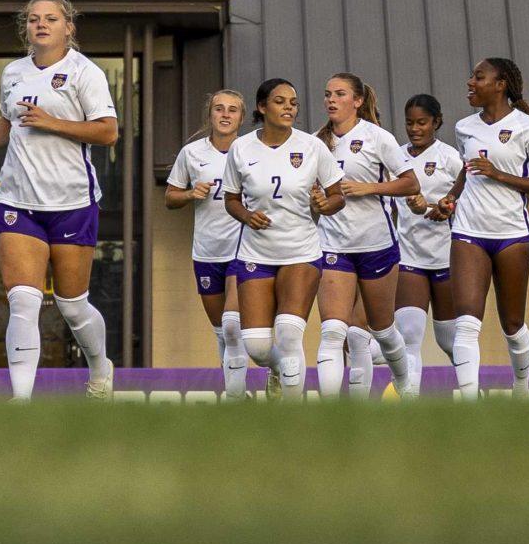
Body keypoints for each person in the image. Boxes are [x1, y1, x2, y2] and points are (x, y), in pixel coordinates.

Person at [0, 0, 123, 400]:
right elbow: (9, 122)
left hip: (71, 203)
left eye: (50, 19)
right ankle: (22, 399)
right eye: (33, 20)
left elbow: (107, 132)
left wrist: (53, 122)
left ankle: (100, 366)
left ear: (69, 27)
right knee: (23, 300)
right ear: (25, 28)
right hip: (18, 200)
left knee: (71, 305)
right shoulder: (13, 72)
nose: (41, 25)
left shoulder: (85, 73)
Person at [221, 78, 343, 398]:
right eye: (280, 101)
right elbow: (231, 199)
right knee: (257, 347)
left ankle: (292, 414)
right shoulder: (241, 147)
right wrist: (246, 215)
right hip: (256, 254)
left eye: (293, 102)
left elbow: (337, 196)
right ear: (262, 107)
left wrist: (325, 205)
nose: (289, 107)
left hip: (301, 251)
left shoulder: (312, 146)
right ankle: (278, 370)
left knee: (289, 335)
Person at [448, 58, 529, 397]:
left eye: (479, 77)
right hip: (468, 232)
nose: (470, 82)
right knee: (466, 322)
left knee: (512, 325)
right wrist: (450, 198)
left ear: (501, 84)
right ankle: (469, 404)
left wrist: (498, 174)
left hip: (512, 235)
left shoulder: (528, 128)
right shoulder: (464, 126)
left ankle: (521, 388)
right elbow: (468, 170)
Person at [316, 73, 418, 396]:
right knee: (334, 331)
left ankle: (405, 385)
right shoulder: (315, 143)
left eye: (340, 94)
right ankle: (333, 413)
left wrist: (368, 188)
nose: (332, 100)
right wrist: (315, 199)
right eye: (328, 94)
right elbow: (309, 189)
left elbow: (411, 183)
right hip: (333, 243)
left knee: (382, 330)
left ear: (357, 101)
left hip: (375, 244)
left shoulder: (377, 138)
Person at [166, 88, 250, 397]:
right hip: (206, 251)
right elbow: (170, 197)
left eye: (232, 110)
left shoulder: (252, 151)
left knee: (231, 325)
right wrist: (190, 194)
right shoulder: (192, 154)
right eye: (219, 109)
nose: (225, 114)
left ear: (242, 117)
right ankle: (264, 374)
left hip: (244, 249)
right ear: (210, 114)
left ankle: (235, 399)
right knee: (222, 332)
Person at [394, 94, 466, 394]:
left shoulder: (450, 158)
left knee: (449, 339)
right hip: (409, 255)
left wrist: (441, 207)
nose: (415, 129)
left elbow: (469, 203)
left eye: (421, 122)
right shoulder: (396, 157)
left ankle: (472, 392)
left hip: (447, 257)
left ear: (436, 122)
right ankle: (408, 403)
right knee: (409, 334)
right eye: (410, 123)